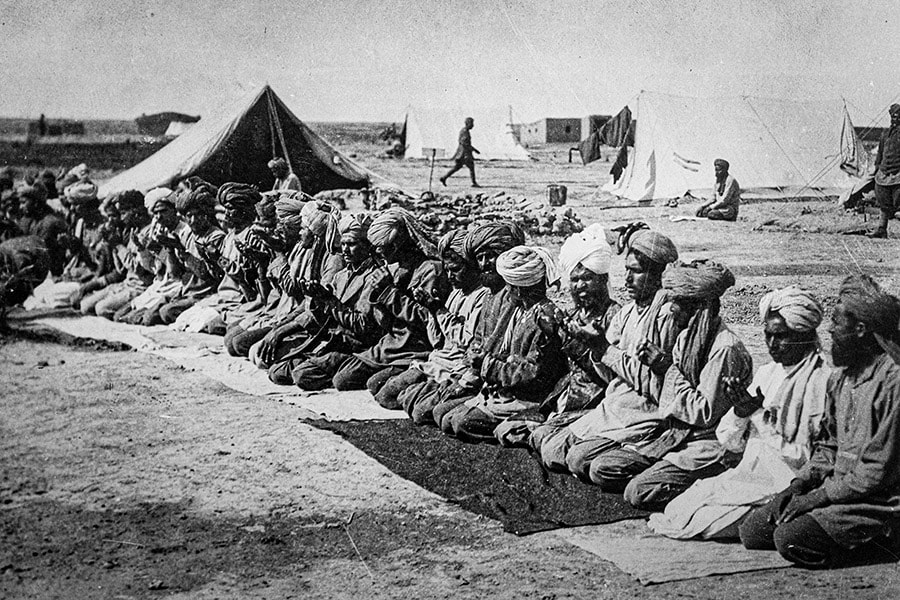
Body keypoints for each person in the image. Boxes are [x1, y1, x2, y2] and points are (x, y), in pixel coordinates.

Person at [738, 275, 900, 568]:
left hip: (880, 500)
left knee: (790, 538)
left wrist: (818, 499)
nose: (830, 330)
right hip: (839, 489)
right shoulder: (841, 379)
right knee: (754, 531)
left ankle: (887, 541)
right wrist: (799, 485)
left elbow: (876, 472)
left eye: (837, 324)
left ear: (861, 330)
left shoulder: (893, 382)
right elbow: (827, 448)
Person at [649, 286, 830, 539]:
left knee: (702, 524)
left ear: (805, 334)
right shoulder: (769, 372)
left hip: (784, 482)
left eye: (781, 337)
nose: (772, 344)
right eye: (768, 335)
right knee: (677, 509)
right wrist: (740, 413)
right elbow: (728, 440)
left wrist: (756, 414)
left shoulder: (821, 382)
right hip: (749, 474)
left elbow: (804, 458)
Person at [532, 228, 680, 472]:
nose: (627, 280)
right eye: (627, 271)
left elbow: (652, 384)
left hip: (643, 411)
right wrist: (594, 348)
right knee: (551, 449)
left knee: (576, 459)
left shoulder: (667, 317)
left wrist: (600, 348)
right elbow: (608, 375)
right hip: (614, 406)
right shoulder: (627, 314)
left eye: (637, 272)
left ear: (659, 275)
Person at [292, 207, 448, 393]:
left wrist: (388, 292)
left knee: (356, 382)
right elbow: (383, 320)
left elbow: (428, 319)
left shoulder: (430, 270)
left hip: (415, 346)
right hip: (389, 343)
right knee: (332, 376)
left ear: (398, 243)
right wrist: (322, 301)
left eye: (383, 248)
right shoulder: (393, 268)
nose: (381, 254)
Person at [494, 224, 621, 447]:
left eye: (588, 279)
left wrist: (575, 342)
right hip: (562, 396)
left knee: (541, 439)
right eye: (574, 280)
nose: (580, 286)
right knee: (506, 431)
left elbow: (612, 373)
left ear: (603, 280)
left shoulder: (616, 317)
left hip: (594, 400)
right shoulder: (570, 315)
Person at [436, 245, 569, 442]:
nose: (506, 291)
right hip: (504, 390)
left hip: (527, 398)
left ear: (519, 288)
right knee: (445, 417)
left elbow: (534, 372)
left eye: (508, 286)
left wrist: (488, 364)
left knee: (460, 423)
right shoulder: (520, 311)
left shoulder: (545, 318)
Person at [404, 221, 525, 425]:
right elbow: (470, 346)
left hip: (494, 382)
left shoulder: (510, 299)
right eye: (480, 258)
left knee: (442, 416)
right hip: (468, 372)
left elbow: (480, 349)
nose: (485, 263)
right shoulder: (489, 296)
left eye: (491, 257)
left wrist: (465, 380)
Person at [374, 229, 490, 410]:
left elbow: (464, 339)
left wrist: (437, 309)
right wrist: (430, 311)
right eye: (447, 270)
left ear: (473, 266)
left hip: (455, 366)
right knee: (383, 392)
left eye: (456, 270)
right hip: (437, 359)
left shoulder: (481, 296)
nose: (450, 276)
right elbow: (437, 341)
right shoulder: (456, 293)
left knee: (405, 401)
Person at [266, 214, 388, 386]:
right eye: (343, 244)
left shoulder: (372, 278)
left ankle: (346, 370)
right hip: (332, 339)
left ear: (368, 246)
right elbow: (325, 318)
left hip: (356, 345)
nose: (345, 249)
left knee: (303, 376)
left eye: (352, 244)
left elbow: (363, 325)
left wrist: (330, 301)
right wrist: (317, 301)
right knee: (277, 372)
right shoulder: (341, 276)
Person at [156, 182, 228, 324]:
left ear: (206, 215)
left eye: (198, 215)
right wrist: (170, 249)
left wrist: (182, 251)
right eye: (189, 216)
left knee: (167, 313)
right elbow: (175, 274)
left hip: (206, 293)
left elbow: (207, 275)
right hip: (188, 291)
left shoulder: (215, 236)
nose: (193, 220)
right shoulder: (192, 236)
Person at [868, 104, 900, 238]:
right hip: (884, 171)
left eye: (898, 115)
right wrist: (876, 169)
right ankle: (882, 229)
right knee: (883, 201)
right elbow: (880, 153)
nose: (895, 117)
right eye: (893, 115)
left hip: (898, 172)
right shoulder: (885, 134)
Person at [439, 117, 480, 187]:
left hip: (462, 153)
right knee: (471, 167)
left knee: (457, 167)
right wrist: (474, 149)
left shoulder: (464, 131)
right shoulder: (464, 131)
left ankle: (444, 178)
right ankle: (474, 183)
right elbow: (464, 143)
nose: (473, 125)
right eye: (472, 123)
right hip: (464, 154)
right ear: (467, 124)